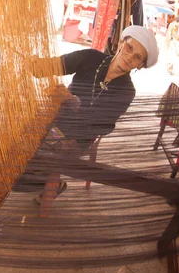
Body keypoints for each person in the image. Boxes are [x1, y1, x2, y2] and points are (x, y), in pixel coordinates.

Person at [29, 25, 159, 197]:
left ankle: (48, 183)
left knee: (41, 155)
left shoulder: (127, 91)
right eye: (129, 48)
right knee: (23, 139)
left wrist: (71, 101)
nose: (129, 57)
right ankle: (43, 181)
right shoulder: (90, 57)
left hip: (77, 138)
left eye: (137, 57)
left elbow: (101, 126)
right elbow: (51, 66)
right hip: (54, 117)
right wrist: (37, 64)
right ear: (121, 42)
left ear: (140, 66)